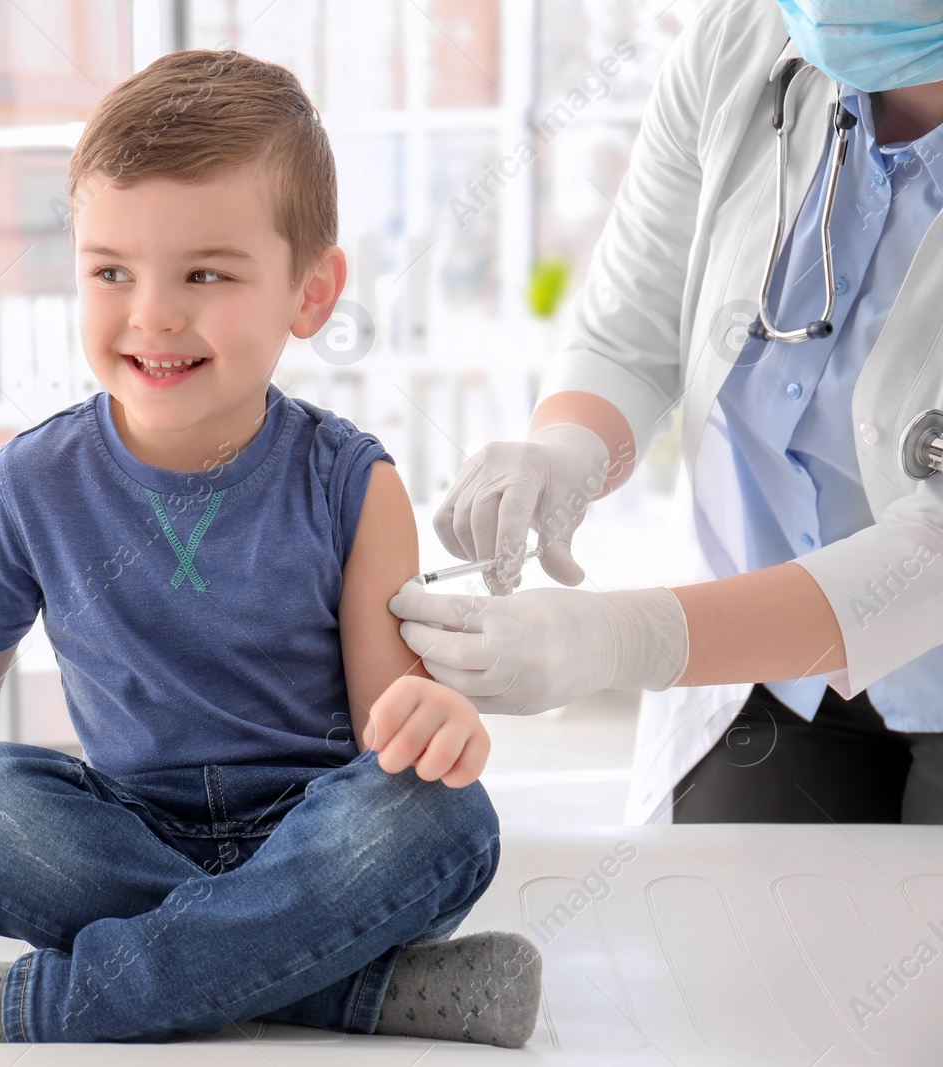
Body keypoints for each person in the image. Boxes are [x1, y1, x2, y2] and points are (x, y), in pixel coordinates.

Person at [0, 50, 544, 1046]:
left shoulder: (353, 482)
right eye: (110, 272)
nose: (153, 313)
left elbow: (388, 726)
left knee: (436, 813)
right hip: (127, 836)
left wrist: (431, 716)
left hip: (318, 832)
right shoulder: (32, 483)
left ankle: (26, 1004)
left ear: (310, 293)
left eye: (205, 273)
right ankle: (343, 985)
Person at [391, 0, 943, 825]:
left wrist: (626, 638)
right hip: (768, 669)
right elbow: (630, 336)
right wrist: (565, 451)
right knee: (738, 928)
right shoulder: (740, 43)